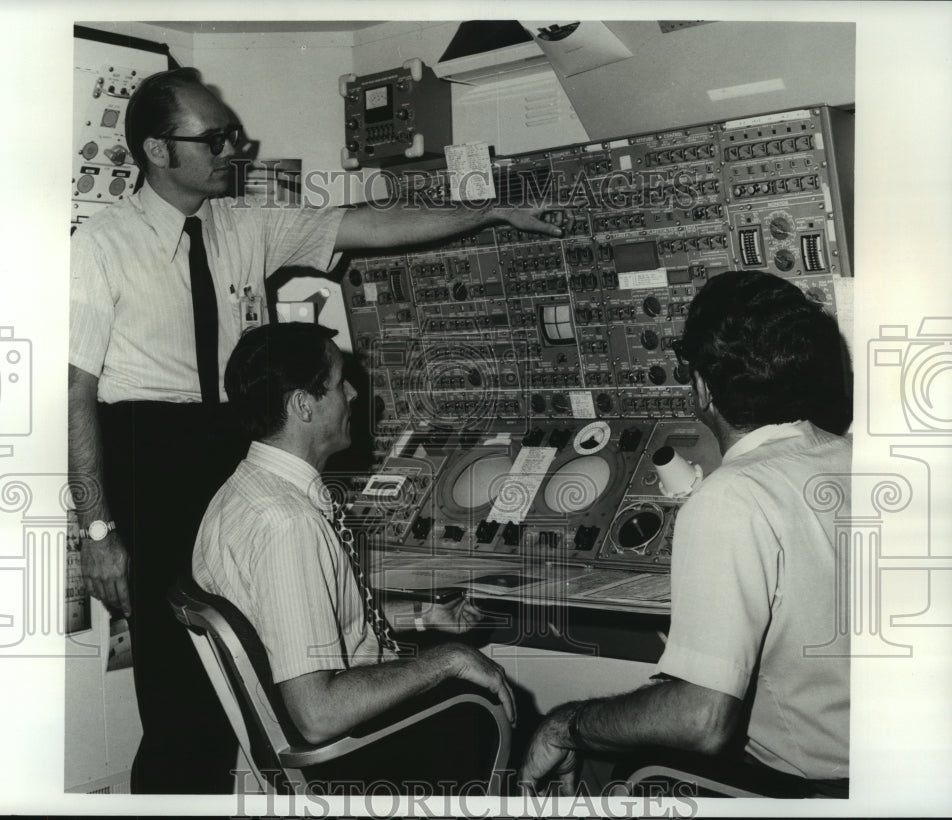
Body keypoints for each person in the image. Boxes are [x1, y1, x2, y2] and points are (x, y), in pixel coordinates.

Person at [68, 66, 559, 794]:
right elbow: (71, 392)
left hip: (232, 441)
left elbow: (370, 224)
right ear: (157, 150)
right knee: (179, 704)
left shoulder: (243, 221)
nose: (234, 147)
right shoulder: (100, 245)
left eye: (233, 131)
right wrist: (99, 531)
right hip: (151, 452)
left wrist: (485, 213)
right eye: (215, 136)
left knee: (266, 651)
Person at [520, 270, 852, 798]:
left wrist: (566, 724)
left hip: (813, 788)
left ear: (699, 385)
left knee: (622, 766)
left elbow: (701, 720)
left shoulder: (730, 496)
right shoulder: (860, 460)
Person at [193, 322, 515, 791]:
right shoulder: (288, 524)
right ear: (304, 405)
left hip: (321, 735)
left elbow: (304, 623)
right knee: (477, 702)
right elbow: (318, 714)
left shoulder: (240, 494)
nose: (353, 394)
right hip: (346, 756)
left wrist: (425, 615)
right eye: (340, 382)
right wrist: (446, 660)